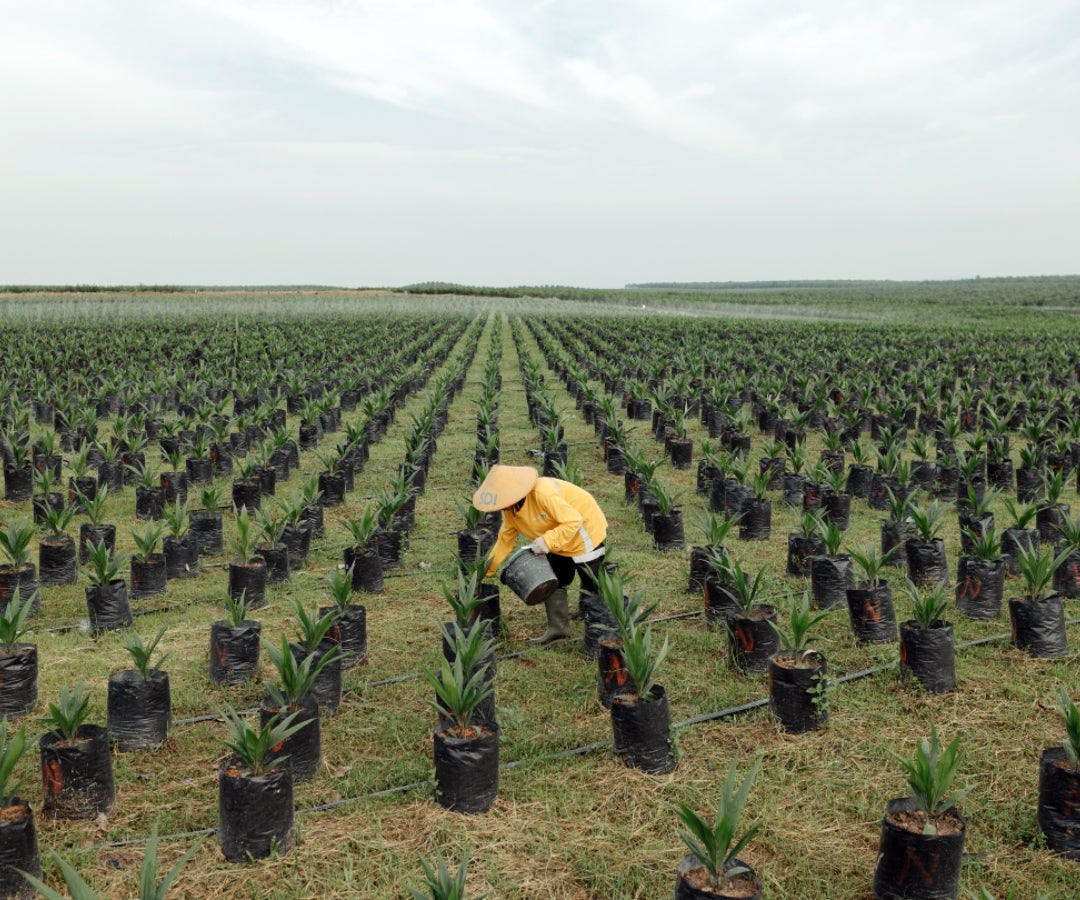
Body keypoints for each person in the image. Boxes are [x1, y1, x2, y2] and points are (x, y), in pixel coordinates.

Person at [473, 464, 607, 644]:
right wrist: (487, 569)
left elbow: (573, 520)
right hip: (555, 536)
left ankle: (598, 622)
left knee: (592, 578)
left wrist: (547, 541)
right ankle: (558, 630)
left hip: (584, 529)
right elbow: (504, 540)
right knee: (554, 578)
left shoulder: (543, 494)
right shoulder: (511, 511)